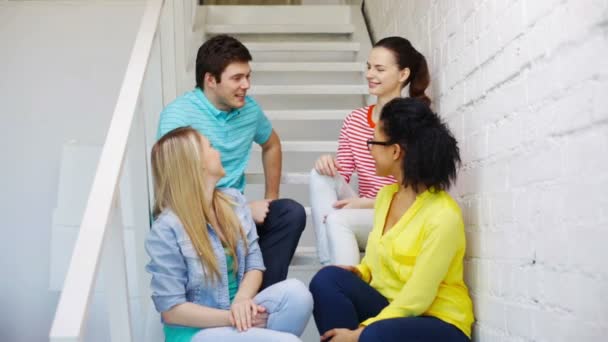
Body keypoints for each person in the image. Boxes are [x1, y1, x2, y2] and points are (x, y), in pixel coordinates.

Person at [309, 98, 474, 342]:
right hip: (393, 309)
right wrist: (360, 272)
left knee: (375, 334)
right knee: (327, 279)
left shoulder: (443, 216)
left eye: (373, 142)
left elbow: (418, 298)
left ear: (395, 151)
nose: (369, 149)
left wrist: (359, 333)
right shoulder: (386, 197)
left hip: (438, 321)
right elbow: (378, 261)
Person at [156, 34, 305, 289]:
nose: (246, 85)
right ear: (210, 80)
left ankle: (260, 301)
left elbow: (271, 144)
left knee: (290, 213)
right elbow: (176, 192)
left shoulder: (249, 110)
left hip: (236, 217)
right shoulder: (177, 117)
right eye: (237, 78)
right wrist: (242, 211)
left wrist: (270, 197)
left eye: (248, 76)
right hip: (194, 220)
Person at [146, 127, 313, 342]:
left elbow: (254, 265)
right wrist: (233, 318)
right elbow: (172, 310)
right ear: (195, 163)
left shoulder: (233, 202)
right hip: (195, 334)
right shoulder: (167, 228)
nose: (218, 152)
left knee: (297, 294)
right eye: (210, 147)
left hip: (236, 316)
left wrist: (242, 300)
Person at [310, 36, 431, 265]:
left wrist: (367, 203)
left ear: (403, 74)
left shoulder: (415, 120)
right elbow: (341, 176)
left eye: (379, 69)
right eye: (368, 67)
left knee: (339, 219)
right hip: (362, 213)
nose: (369, 74)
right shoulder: (355, 120)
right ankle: (330, 264)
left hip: (396, 215)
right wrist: (328, 164)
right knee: (319, 175)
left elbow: (417, 192)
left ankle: (337, 276)